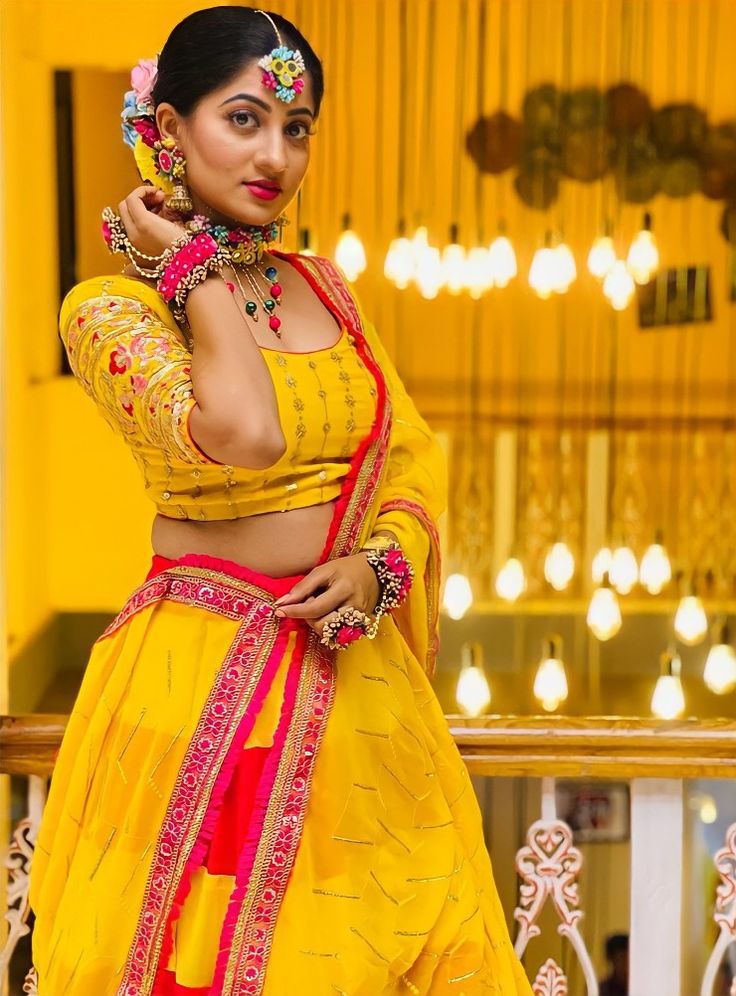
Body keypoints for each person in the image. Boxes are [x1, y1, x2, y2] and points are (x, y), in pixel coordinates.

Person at [28, 7, 533, 994]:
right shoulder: (109, 312)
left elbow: (410, 453)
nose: (276, 154)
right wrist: (187, 263)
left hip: (354, 686)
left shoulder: (326, 288)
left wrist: (379, 562)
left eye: (295, 128)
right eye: (245, 118)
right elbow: (245, 433)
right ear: (168, 130)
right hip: (197, 691)